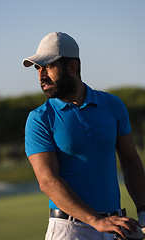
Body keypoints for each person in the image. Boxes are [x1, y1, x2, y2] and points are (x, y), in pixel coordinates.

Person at [22, 32, 145, 240]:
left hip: (115, 228)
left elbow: (131, 162)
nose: (41, 75)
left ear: (72, 67)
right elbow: (48, 180)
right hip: (70, 230)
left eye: (49, 67)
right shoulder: (39, 119)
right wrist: (95, 220)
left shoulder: (113, 105)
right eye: (38, 68)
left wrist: (143, 211)